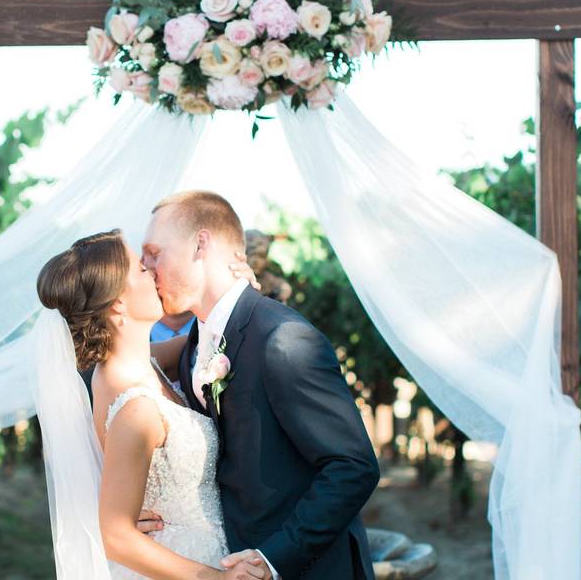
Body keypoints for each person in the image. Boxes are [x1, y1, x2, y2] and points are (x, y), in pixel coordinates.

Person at [141, 191, 380, 579]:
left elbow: (353, 467)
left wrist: (272, 559)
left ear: (201, 244)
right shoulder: (193, 348)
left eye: (154, 253)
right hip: (226, 560)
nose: (145, 266)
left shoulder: (283, 340)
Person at [37, 230, 268, 580]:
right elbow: (115, 536)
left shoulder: (139, 363)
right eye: (141, 270)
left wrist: (233, 294)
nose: (153, 270)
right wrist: (217, 578)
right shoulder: (136, 408)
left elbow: (210, 337)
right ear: (118, 304)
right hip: (181, 565)